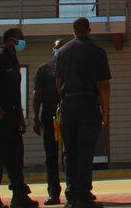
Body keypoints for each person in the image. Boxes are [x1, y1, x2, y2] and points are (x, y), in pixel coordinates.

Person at [55, 17, 111, 208]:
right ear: (89, 30)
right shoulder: (97, 51)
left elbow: (58, 81)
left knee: (70, 151)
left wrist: (64, 101)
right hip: (88, 101)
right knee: (86, 150)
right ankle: (83, 195)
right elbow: (104, 85)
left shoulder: (62, 52)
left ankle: (71, 195)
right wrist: (105, 111)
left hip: (68, 102)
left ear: (73, 31)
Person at [0, 27, 38, 208]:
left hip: (12, 115)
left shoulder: (13, 60)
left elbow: (15, 93)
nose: (23, 41)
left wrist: (20, 117)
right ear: (10, 39)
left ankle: (19, 195)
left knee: (15, 156)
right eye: (20, 38)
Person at [32, 39, 64, 205]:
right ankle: (54, 193)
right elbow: (37, 94)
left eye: (63, 47)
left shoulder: (72, 68)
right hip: (49, 113)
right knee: (51, 155)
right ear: (53, 50)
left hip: (68, 112)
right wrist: (35, 117)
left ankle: (78, 190)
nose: (60, 50)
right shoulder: (44, 69)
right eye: (57, 48)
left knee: (73, 153)